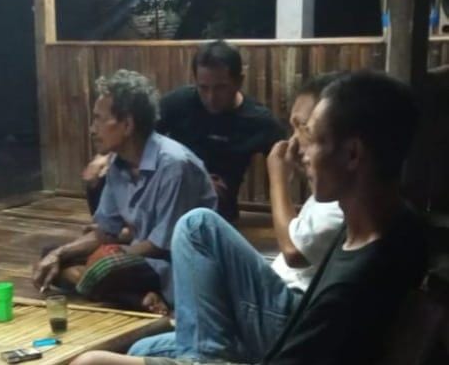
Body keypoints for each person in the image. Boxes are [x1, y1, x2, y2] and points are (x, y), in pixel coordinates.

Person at [71, 70, 427, 365]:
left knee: (95, 362)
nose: (298, 151)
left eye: (311, 137)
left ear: (352, 155)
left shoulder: (352, 287)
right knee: (141, 347)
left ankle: (201, 358)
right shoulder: (386, 222)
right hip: (283, 333)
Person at [125, 73, 347, 361]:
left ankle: (203, 359)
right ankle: (203, 352)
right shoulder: (328, 196)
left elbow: (294, 251)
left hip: (289, 319)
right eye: (292, 128)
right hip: (271, 309)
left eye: (303, 128)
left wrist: (277, 177)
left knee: (197, 226)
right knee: (141, 350)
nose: (293, 141)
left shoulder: (343, 201)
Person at [31, 70, 217, 311]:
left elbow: (162, 245)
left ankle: (108, 286)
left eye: (99, 119)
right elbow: (106, 231)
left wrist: (109, 255)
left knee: (105, 266)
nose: (92, 129)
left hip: (179, 266)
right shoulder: (118, 164)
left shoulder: (174, 164)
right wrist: (59, 254)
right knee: (51, 256)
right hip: (140, 258)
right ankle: (138, 299)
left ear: (127, 125)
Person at [157, 40, 284, 222]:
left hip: (220, 211)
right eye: (203, 88)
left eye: (220, 88)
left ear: (239, 82)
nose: (211, 97)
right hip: (170, 200)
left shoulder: (258, 120)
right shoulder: (177, 104)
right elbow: (142, 142)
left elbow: (288, 160)